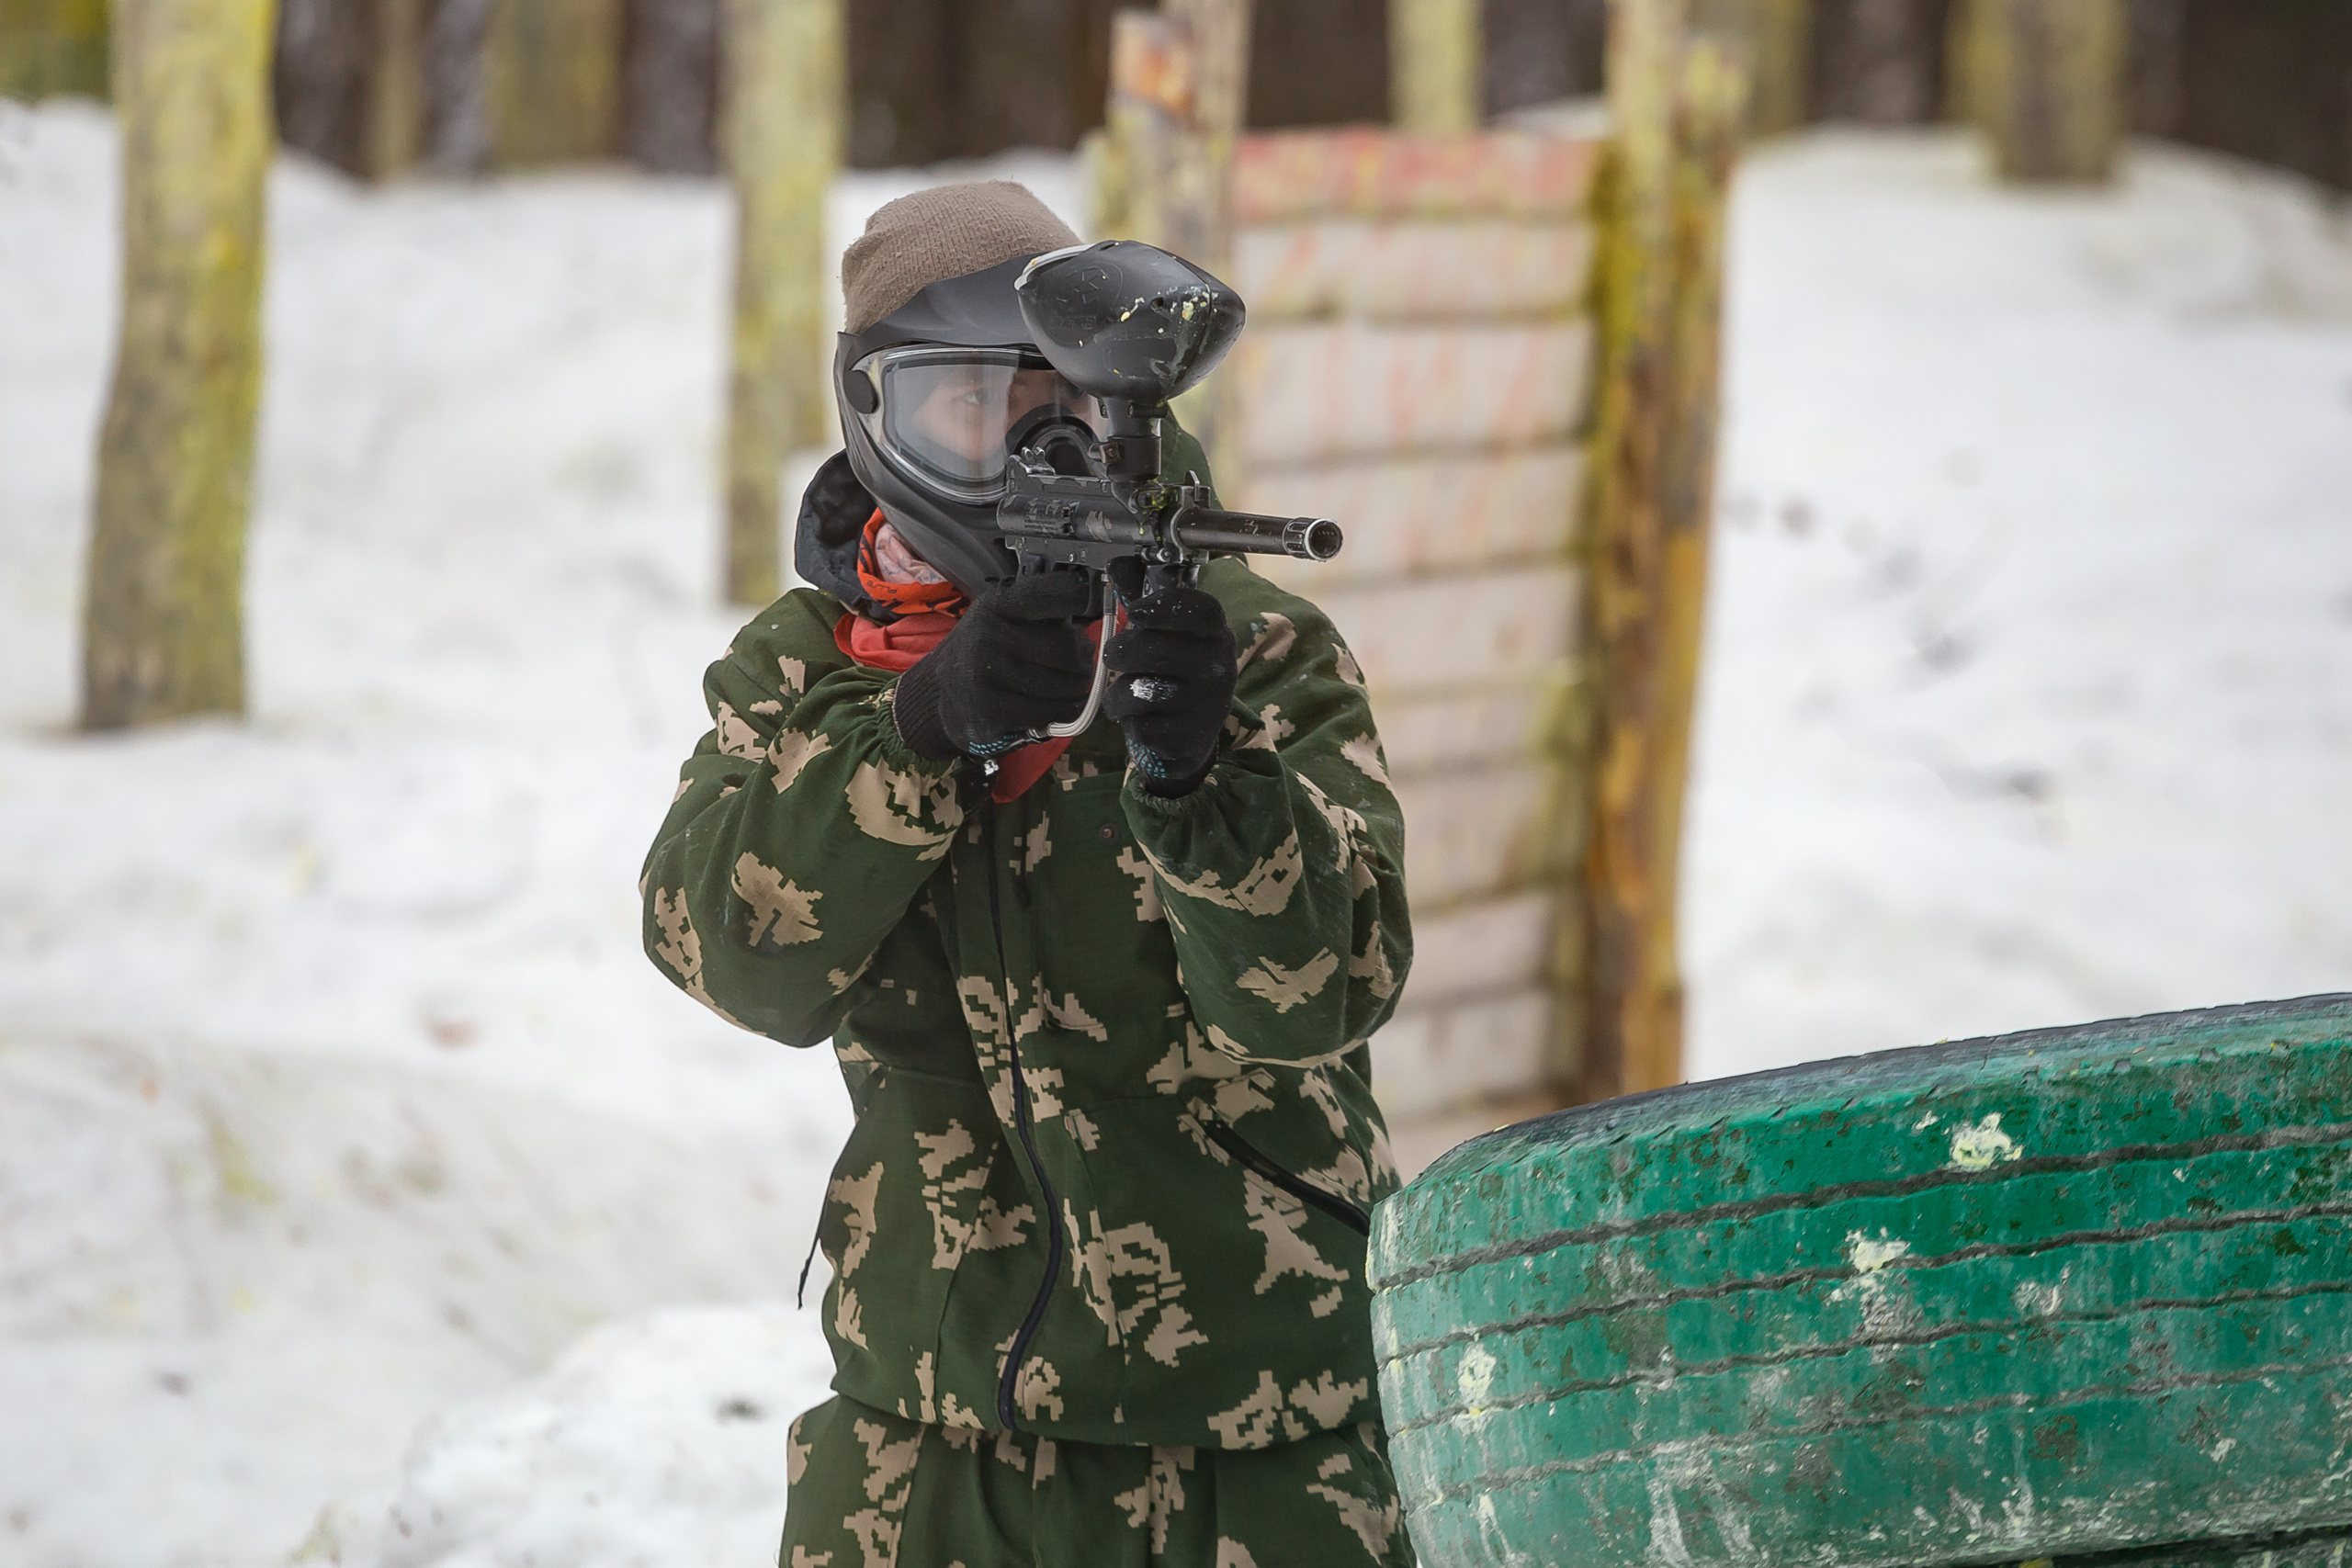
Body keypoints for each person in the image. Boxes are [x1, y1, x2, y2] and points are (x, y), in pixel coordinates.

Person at [639, 180, 1414, 1567]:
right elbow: (735, 956)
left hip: (1260, 1442)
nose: (1017, 450)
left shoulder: (1251, 651)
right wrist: (921, 731)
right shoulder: (809, 667)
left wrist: (1199, 776)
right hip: (923, 1446)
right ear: (876, 415)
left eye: (1052, 405)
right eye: (965, 408)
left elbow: (1317, 996)